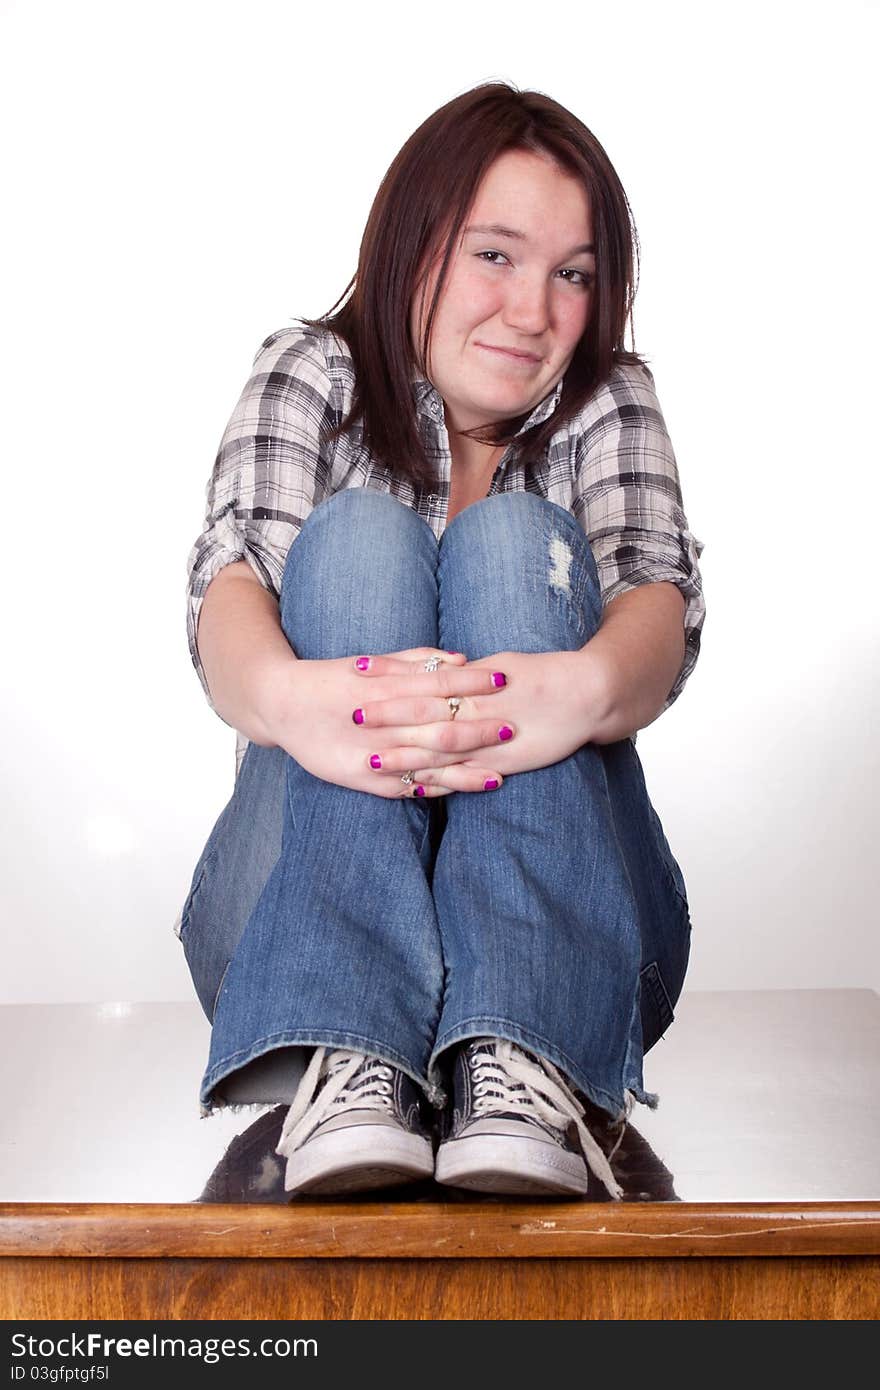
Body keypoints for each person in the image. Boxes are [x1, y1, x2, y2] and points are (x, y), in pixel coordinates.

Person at [177, 81, 706, 1202]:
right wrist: (299, 703)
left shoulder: (606, 401)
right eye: (496, 256)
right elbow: (225, 591)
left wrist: (575, 689)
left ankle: (524, 1048)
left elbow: (659, 595)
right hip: (288, 922)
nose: (534, 312)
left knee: (515, 542)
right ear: (412, 245)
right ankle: (349, 1047)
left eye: (573, 273)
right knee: (360, 541)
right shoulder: (309, 372)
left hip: (584, 944)